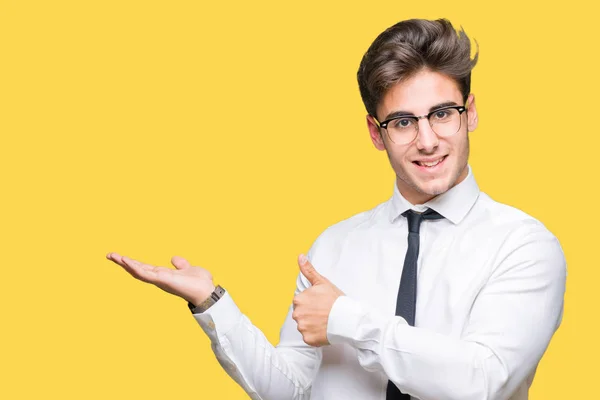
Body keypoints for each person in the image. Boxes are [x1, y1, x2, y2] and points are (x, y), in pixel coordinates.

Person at [106, 18, 566, 400]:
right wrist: (212, 304)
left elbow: (482, 382)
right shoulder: (335, 245)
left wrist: (347, 319)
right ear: (374, 132)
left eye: (442, 113)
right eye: (403, 122)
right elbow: (290, 390)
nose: (427, 140)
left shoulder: (523, 246)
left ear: (470, 112)